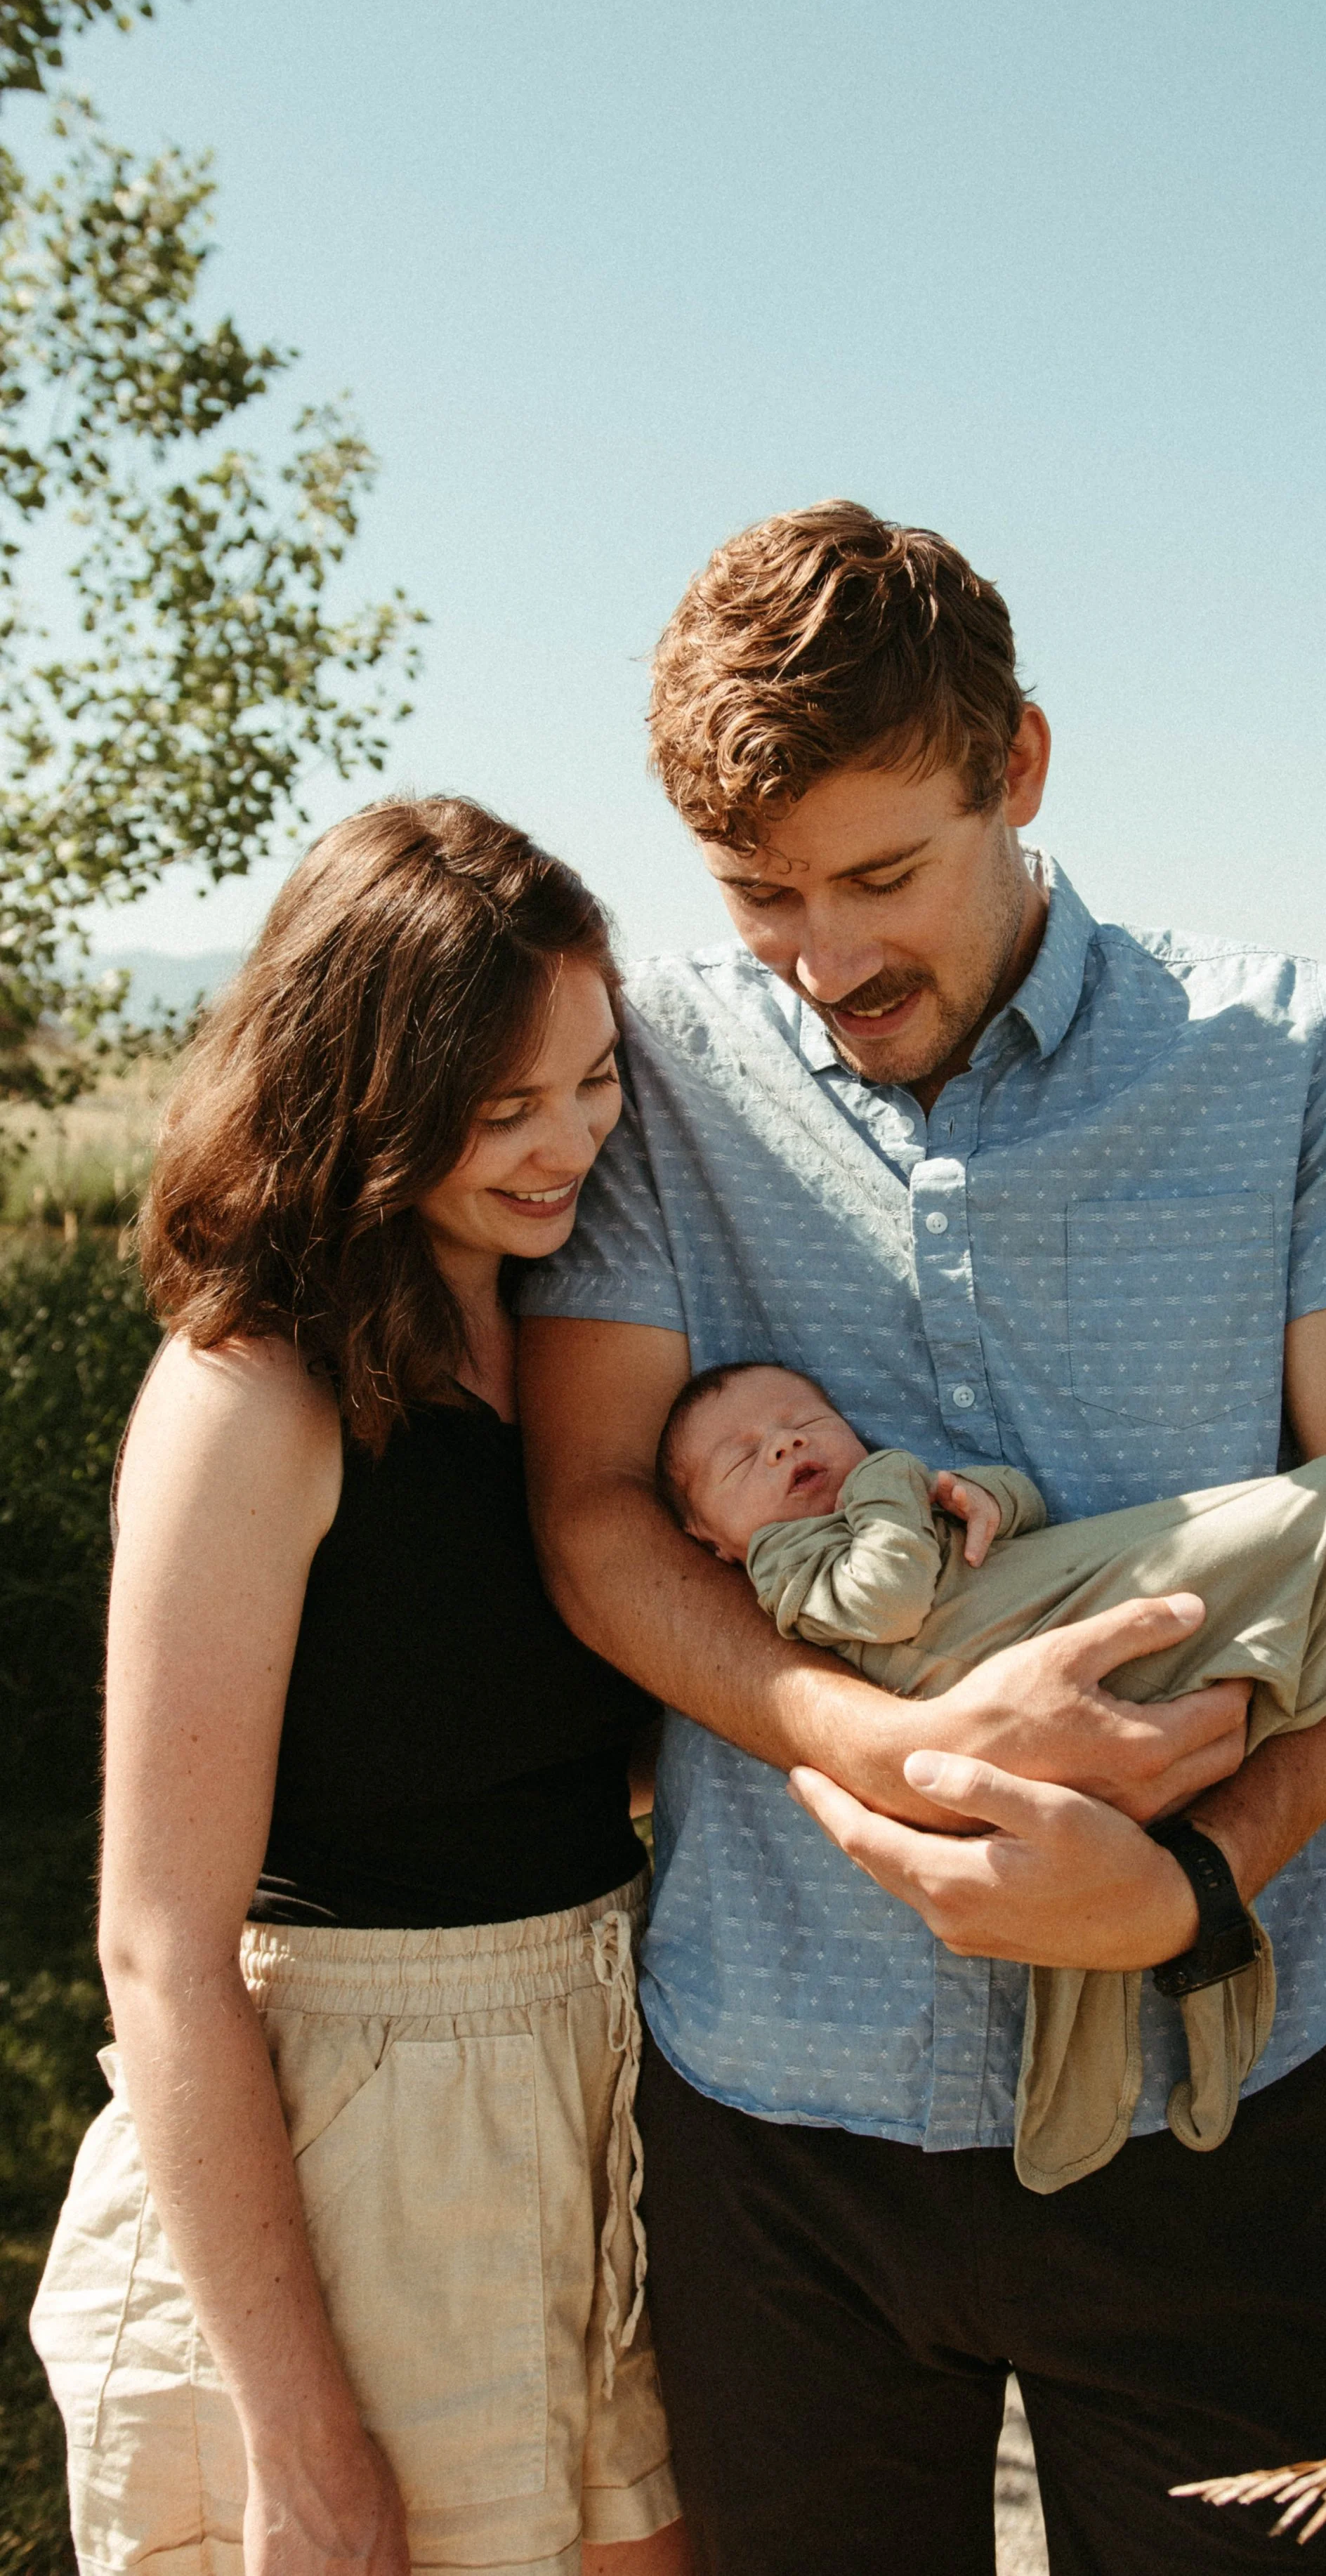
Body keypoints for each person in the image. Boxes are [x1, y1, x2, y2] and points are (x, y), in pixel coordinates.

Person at [518, 501, 1326, 2576]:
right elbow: (594, 1514)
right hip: (768, 2119)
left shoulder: (1304, 1061)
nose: (826, 957)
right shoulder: (654, 1074)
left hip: (1204, 2112)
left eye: (882, 874)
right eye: (759, 891)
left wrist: (1187, 1884)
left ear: (1019, 767)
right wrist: (872, 1742)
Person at [31, 799, 688, 2576]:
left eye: (595, 1081)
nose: (569, 1142)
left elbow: (551, 1749)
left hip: (593, 2088)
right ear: (367, 1094)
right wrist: (303, 2437)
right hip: (340, 2138)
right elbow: (160, 1946)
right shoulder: (250, 1393)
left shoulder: (571, 1339)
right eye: (502, 1107)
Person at [657, 1357, 1326, 2184]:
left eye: (804, 1423)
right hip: (1006, 1685)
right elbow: (886, 1599)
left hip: (1051, 1641)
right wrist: (889, 1481)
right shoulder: (788, 1559)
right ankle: (1129, 2097)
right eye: (743, 1458)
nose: (785, 1446)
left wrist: (986, 1498)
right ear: (709, 1539)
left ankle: (1198, 2065)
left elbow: (1017, 1518)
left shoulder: (892, 1506)